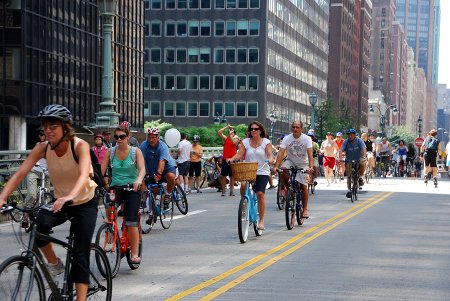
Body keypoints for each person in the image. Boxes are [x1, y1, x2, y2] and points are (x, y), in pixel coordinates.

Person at [0, 104, 98, 301]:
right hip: (61, 201)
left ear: (66, 126)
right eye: (45, 126)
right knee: (38, 227)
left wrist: (71, 195)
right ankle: (55, 266)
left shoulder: (79, 146)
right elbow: (20, 174)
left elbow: (83, 175)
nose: (48, 130)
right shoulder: (41, 148)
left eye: (53, 125)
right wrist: (2, 197)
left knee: (80, 253)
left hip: (85, 201)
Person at [101, 125, 145, 264]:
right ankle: (111, 232)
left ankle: (134, 253)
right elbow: (101, 171)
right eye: (117, 137)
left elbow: (142, 169)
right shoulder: (110, 152)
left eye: (122, 137)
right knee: (109, 208)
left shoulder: (135, 151)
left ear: (128, 137)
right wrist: (94, 183)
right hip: (116, 187)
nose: (119, 139)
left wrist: (138, 180)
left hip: (132, 188)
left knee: (131, 220)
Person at [227, 121, 275, 230]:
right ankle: (244, 204)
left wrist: (271, 160)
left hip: (262, 171)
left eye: (256, 129)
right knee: (243, 185)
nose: (253, 131)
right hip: (249, 170)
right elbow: (239, 154)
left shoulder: (266, 142)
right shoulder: (246, 142)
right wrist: (232, 159)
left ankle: (261, 221)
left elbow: (269, 154)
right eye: (252, 129)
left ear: (260, 130)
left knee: (260, 193)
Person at [273, 120, 313, 219]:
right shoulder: (287, 138)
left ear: (301, 129)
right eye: (293, 127)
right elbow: (281, 153)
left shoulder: (307, 139)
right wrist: (276, 166)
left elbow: (310, 155)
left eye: (297, 127)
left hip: (303, 163)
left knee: (304, 186)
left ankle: (305, 210)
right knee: (282, 170)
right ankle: (289, 189)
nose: (295, 129)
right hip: (290, 161)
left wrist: (310, 167)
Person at [140, 128, 177, 209]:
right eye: (149, 137)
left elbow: (162, 161)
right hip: (152, 169)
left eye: (153, 137)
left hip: (166, 167)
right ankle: (148, 205)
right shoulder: (143, 145)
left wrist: (159, 174)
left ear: (158, 137)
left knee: (171, 177)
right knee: (153, 190)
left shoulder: (163, 146)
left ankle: (168, 194)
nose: (151, 140)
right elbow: (140, 159)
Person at [22, 129, 51, 228]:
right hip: (34, 170)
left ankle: (45, 223)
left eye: (43, 134)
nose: (41, 136)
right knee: (32, 194)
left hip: (46, 173)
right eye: (40, 134)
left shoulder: (54, 145)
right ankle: (25, 217)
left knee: (46, 197)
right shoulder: (38, 145)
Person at [341, 129, 366, 198]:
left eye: (351, 135)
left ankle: (360, 177)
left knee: (362, 163)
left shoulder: (359, 141)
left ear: (354, 135)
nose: (350, 136)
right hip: (349, 160)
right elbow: (341, 150)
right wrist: (340, 157)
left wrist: (363, 157)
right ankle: (349, 190)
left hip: (358, 158)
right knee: (349, 176)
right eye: (349, 135)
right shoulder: (346, 142)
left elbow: (364, 148)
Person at [217, 124, 239, 196]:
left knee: (232, 176)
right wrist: (227, 127)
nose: (231, 132)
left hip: (232, 159)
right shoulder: (226, 139)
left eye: (232, 132)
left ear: (234, 133)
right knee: (223, 175)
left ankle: (231, 190)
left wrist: (231, 135)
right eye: (230, 132)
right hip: (225, 159)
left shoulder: (236, 138)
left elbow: (233, 142)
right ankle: (223, 190)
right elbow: (219, 132)